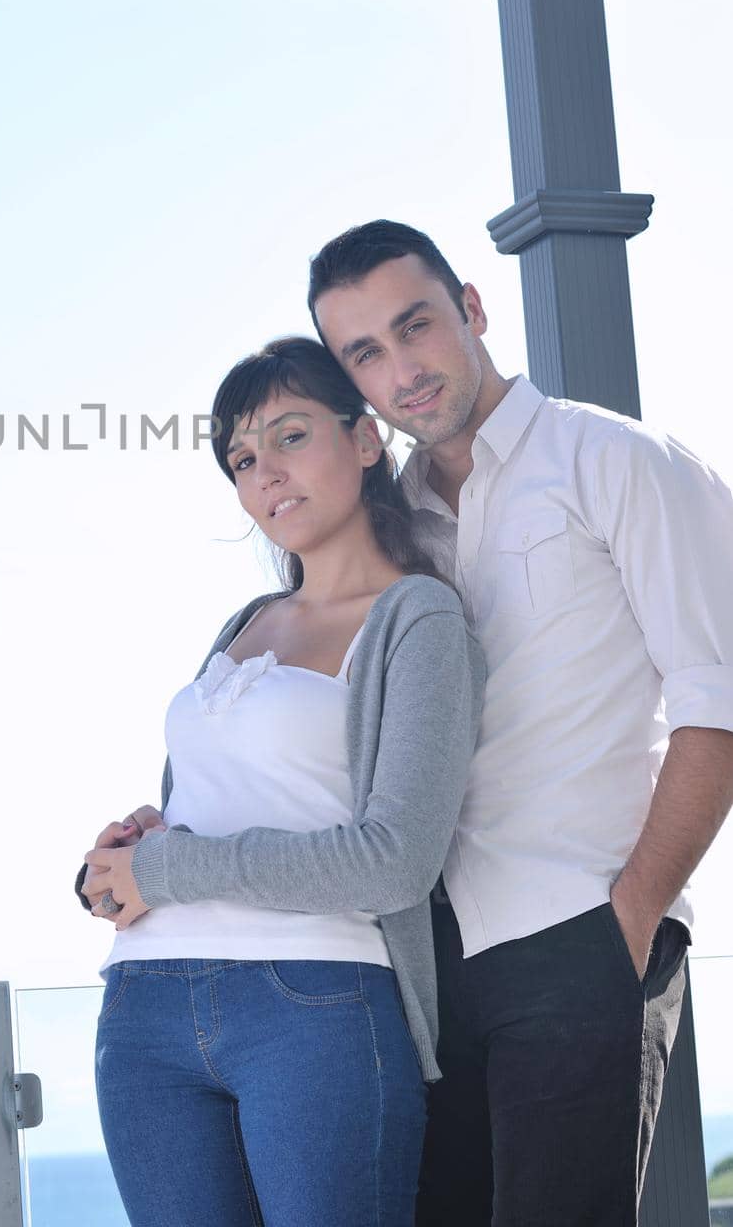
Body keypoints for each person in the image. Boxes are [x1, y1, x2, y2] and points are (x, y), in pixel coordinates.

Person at [305, 217, 733, 1227]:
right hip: (424, 966)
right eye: (364, 353)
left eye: (415, 326)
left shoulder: (616, 460)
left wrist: (623, 925)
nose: (402, 368)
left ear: (471, 308)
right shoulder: (388, 526)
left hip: (577, 929)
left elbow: (716, 709)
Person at [76, 336, 485, 1227]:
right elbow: (210, 813)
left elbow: (392, 863)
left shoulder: (418, 617)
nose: (265, 473)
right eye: (241, 458)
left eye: (291, 437)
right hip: (144, 1003)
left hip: (315, 1003)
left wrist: (170, 871)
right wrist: (137, 847)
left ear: (366, 439)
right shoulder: (244, 622)